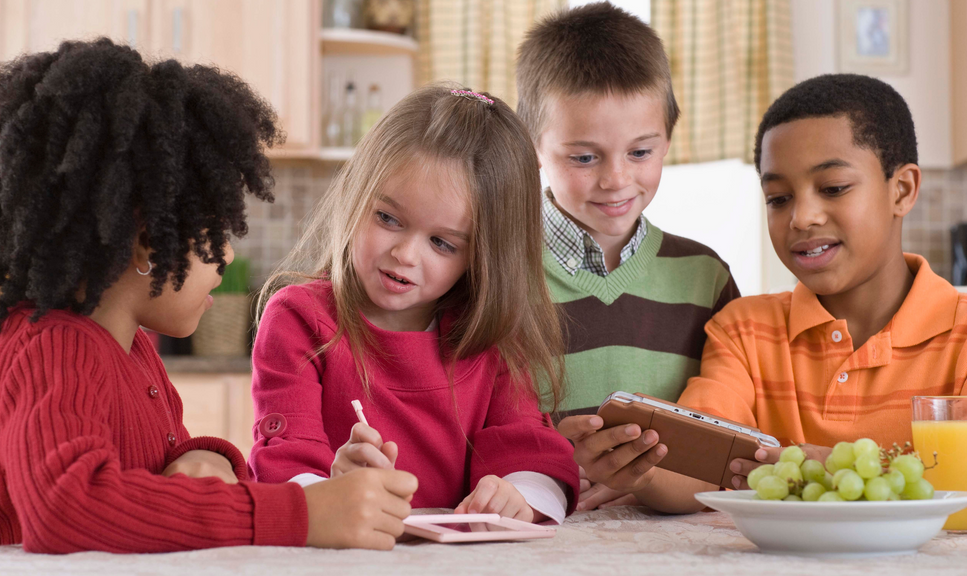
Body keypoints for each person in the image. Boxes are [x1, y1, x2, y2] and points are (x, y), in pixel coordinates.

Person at [0, 39, 416, 553]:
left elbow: (154, 461)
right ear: (148, 240)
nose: (228, 257)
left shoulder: (122, 344)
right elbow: (67, 506)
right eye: (215, 232)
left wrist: (206, 459)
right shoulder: (53, 348)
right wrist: (297, 515)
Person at [570, 73, 966, 513]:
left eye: (833, 188)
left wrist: (833, 467)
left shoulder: (961, 335)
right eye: (778, 198)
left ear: (903, 190)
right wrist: (639, 468)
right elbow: (693, 470)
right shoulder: (745, 331)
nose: (802, 217)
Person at [250, 85, 579, 524]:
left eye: (442, 243)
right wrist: (332, 490)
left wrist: (516, 495)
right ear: (356, 193)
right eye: (387, 219)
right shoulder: (298, 320)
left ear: (483, 257)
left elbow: (535, 457)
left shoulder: (490, 338)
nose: (405, 254)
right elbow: (282, 467)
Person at [515, 1, 740, 510]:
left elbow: (725, 441)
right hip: (534, 531)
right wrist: (549, 460)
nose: (616, 179)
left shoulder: (706, 278)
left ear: (667, 139)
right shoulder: (499, 272)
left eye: (640, 152)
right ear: (532, 146)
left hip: (671, 541)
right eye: (583, 157)